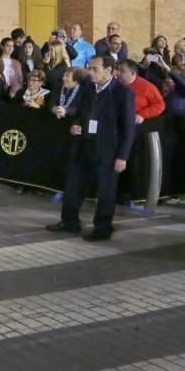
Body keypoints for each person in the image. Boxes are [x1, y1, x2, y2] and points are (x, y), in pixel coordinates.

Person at [47, 56, 135, 241]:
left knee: (105, 192)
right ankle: (69, 222)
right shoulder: (87, 89)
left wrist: (123, 156)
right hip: (84, 146)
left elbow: (128, 127)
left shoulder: (122, 93)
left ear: (108, 70)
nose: (90, 72)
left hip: (107, 150)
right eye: (89, 68)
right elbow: (80, 113)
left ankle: (102, 228)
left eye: (95, 69)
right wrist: (76, 125)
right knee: (73, 186)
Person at [116, 59, 164, 124]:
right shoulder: (114, 84)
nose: (118, 73)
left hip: (136, 125)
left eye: (122, 71)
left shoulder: (147, 87)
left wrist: (142, 114)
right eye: (117, 70)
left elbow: (160, 105)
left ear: (132, 73)